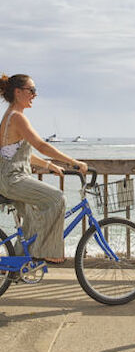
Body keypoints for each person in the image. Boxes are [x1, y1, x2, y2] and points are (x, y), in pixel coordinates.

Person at [0, 74, 88, 264]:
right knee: (57, 198)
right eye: (31, 90)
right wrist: (74, 162)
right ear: (18, 92)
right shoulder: (17, 118)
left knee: (33, 217)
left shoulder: (10, 117)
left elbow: (20, 153)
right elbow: (41, 145)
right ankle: (44, 251)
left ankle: (17, 265)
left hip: (9, 178)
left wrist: (49, 165)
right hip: (14, 179)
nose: (34, 95)